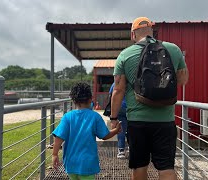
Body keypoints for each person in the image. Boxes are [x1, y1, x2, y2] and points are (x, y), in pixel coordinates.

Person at [110, 17, 189, 180]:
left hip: (137, 122)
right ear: (153, 31)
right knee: (166, 168)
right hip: (165, 121)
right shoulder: (173, 49)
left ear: (133, 34)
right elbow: (182, 80)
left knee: (139, 166)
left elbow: (118, 90)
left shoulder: (125, 55)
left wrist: (113, 118)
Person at [52, 82, 121, 180]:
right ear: (90, 99)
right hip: (87, 164)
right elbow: (104, 135)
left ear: (73, 100)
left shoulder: (67, 117)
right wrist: (115, 130)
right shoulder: (95, 117)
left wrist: (54, 154)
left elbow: (59, 137)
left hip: (71, 163)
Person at [109, 82, 128, 159]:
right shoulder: (131, 82)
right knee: (132, 128)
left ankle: (121, 151)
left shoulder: (115, 83)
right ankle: (132, 147)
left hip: (119, 108)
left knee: (120, 129)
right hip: (131, 108)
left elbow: (111, 95)